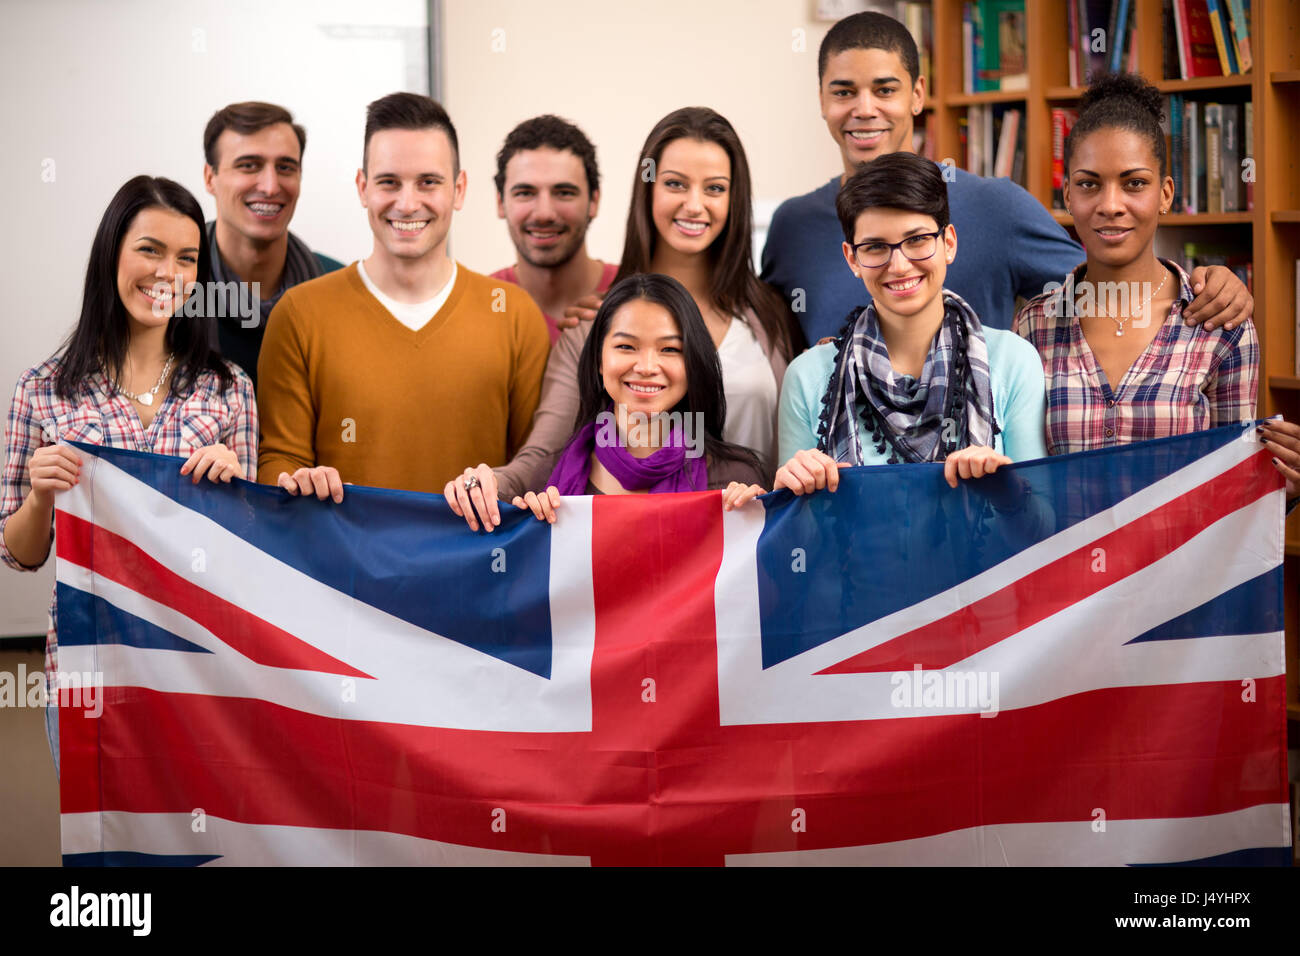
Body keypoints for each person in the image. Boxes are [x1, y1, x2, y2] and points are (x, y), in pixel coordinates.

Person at [760, 10, 1253, 344]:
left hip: (975, 476)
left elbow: (1111, 282)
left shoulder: (995, 206)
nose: (864, 110)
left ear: (917, 95)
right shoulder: (791, 226)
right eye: (844, 92)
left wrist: (1203, 283)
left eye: (884, 89)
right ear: (822, 100)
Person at [0, 175, 257, 771]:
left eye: (187, 258)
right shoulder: (41, 392)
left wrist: (237, 486)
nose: (168, 272)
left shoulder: (228, 390)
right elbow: (19, 554)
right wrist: (41, 498)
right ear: (112, 253)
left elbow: (247, 555)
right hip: (88, 677)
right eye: (150, 249)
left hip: (202, 675)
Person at [450, 107, 797, 525]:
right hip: (625, 534)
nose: (694, 204)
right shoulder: (596, 323)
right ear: (647, 190)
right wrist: (493, 483)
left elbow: (798, 438)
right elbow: (545, 452)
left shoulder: (771, 314)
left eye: (715, 188)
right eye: (674, 184)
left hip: (743, 535)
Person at [256, 92, 549, 501]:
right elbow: (279, 464)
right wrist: (296, 484)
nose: (407, 203)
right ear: (363, 188)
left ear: (459, 190)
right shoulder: (299, 315)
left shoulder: (514, 314)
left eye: (428, 182)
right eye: (388, 182)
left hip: (481, 563)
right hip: (344, 564)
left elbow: (534, 471)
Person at [725, 151, 1046, 510]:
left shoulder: (1014, 361)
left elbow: (1043, 527)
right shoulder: (808, 376)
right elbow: (794, 546)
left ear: (949, 243)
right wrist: (790, 495)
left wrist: (1011, 493)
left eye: (917, 240)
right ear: (852, 259)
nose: (899, 264)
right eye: (876, 247)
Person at [1015, 73, 1258, 455]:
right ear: (1067, 196)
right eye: (1088, 184)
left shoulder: (1221, 324)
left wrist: (1283, 486)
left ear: (1165, 194)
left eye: (1134, 183)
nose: (1110, 205)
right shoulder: (1033, 325)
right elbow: (1022, 475)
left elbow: (1235, 481)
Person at [447, 274, 764, 527]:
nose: (646, 367)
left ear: (693, 363)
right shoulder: (545, 480)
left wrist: (755, 519)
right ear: (599, 360)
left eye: (670, 349)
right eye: (626, 347)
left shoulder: (736, 480)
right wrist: (475, 488)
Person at [202, 101, 344, 389]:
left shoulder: (339, 289)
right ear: (210, 178)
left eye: (285, 167)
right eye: (249, 165)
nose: (270, 186)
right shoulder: (171, 289)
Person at [489, 115, 618, 344]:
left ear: (594, 201)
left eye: (564, 193)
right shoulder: (481, 306)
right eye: (525, 193)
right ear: (500, 202)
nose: (544, 214)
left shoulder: (635, 296)